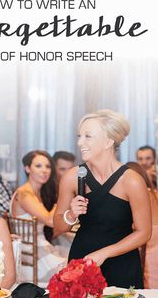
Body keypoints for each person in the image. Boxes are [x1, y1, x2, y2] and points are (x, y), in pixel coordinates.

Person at [54, 109, 152, 288]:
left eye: (88, 136)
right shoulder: (72, 177)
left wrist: (104, 253)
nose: (79, 142)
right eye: (79, 136)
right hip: (82, 260)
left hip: (122, 263)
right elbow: (58, 228)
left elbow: (144, 233)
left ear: (108, 141)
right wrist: (71, 215)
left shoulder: (131, 181)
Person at [10, 150, 66, 284]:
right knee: (70, 269)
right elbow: (50, 221)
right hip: (30, 250)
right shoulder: (24, 193)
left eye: (48, 166)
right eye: (38, 166)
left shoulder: (37, 192)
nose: (44, 171)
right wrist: (62, 198)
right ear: (27, 168)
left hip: (40, 245)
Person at [126, 161, 158, 289]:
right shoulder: (153, 193)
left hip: (149, 243)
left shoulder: (139, 195)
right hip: (153, 240)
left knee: (150, 281)